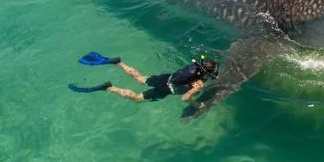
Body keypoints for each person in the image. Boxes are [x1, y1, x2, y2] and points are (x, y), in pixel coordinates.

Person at [68, 52, 220, 104]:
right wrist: (196, 104)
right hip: (166, 89)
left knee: (140, 78)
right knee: (137, 98)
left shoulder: (194, 67)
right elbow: (185, 98)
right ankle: (109, 87)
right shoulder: (199, 82)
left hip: (166, 78)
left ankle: (118, 63)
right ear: (206, 73)